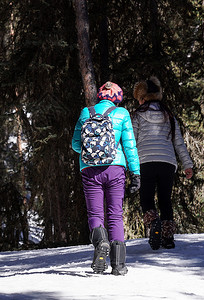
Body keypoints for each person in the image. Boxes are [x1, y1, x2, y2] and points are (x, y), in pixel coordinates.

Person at [72, 81, 141, 275]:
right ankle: (118, 265)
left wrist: (91, 151)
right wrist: (135, 173)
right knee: (115, 214)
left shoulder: (86, 112)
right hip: (115, 168)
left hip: (89, 170)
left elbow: (75, 145)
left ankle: (101, 242)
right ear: (117, 97)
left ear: (100, 96)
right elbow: (130, 146)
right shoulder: (122, 114)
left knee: (95, 215)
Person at [132, 76, 194, 250]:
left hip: (145, 162)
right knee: (166, 199)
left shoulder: (137, 116)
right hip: (167, 162)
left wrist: (129, 165)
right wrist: (187, 165)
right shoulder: (169, 115)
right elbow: (179, 143)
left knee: (146, 198)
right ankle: (168, 237)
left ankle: (154, 225)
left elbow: (132, 141)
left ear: (143, 98)